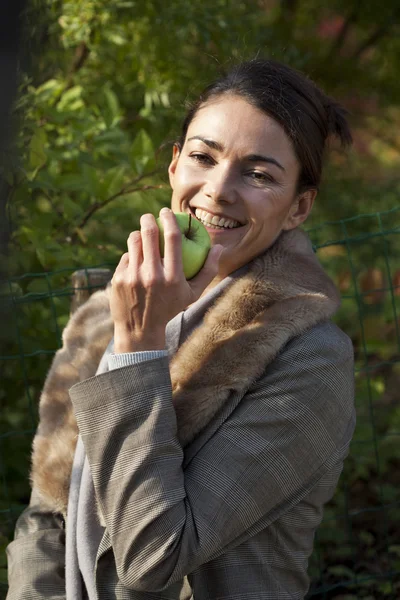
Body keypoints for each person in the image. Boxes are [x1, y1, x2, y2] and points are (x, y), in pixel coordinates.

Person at [6, 58, 356, 599]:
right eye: (203, 157)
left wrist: (138, 350)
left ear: (298, 207)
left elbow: (154, 559)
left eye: (259, 174)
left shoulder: (310, 359)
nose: (218, 190)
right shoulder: (108, 308)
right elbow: (48, 511)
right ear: (174, 166)